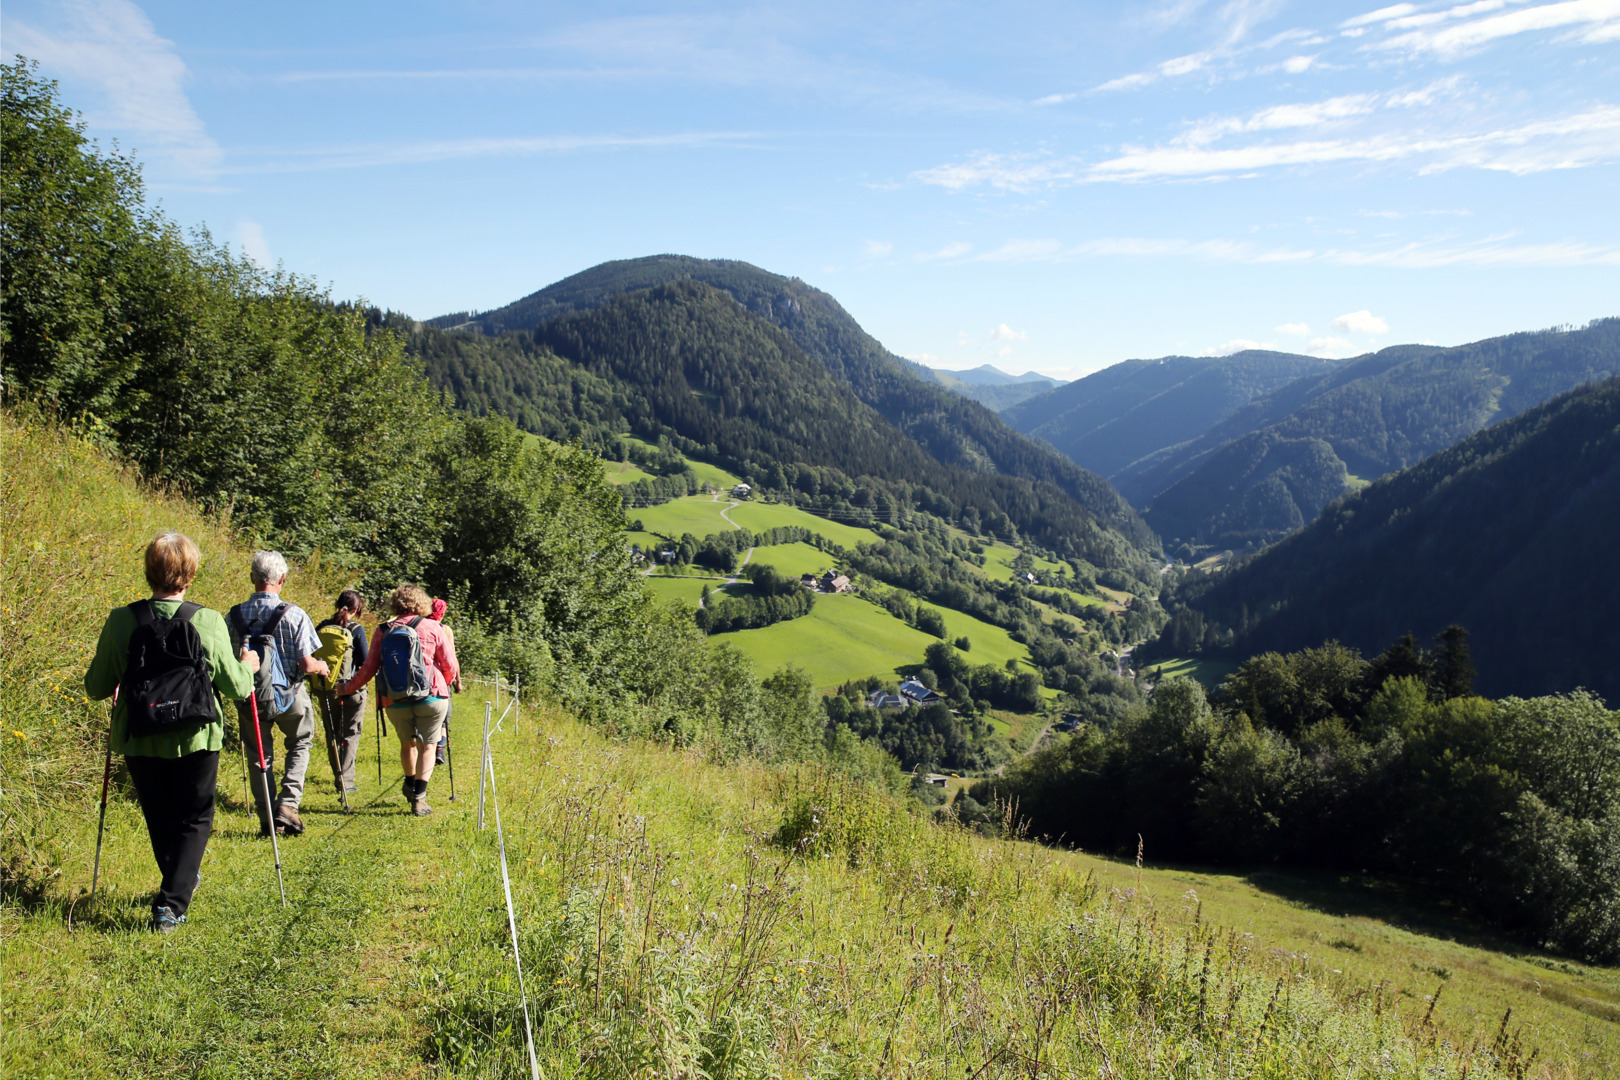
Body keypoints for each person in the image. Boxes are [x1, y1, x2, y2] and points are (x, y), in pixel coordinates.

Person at [83, 532, 259, 932]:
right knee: (195, 817)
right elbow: (237, 687)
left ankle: (175, 887)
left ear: (149, 571)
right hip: (196, 734)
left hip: (140, 734)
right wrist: (249, 665)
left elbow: (95, 687)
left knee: (160, 816)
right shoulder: (207, 620)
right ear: (190, 573)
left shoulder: (121, 620)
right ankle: (171, 904)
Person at [228, 551, 328, 837]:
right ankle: (288, 804)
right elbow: (307, 664)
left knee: (259, 754)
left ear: (252, 578)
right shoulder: (294, 613)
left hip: (250, 696)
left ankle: (266, 818)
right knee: (300, 741)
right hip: (289, 695)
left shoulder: (233, 615)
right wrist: (322, 666)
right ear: (282, 579)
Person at [339, 584, 459, 816]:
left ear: (395, 603)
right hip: (432, 697)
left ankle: (409, 780)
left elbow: (368, 669)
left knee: (408, 744)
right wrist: (441, 684)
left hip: (394, 698)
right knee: (429, 745)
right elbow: (450, 665)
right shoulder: (433, 627)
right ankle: (419, 798)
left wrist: (347, 688)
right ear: (421, 603)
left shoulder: (383, 630)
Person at [315, 591, 368, 795]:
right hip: (351, 689)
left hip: (326, 688)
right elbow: (364, 662)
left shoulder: (321, 627)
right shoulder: (356, 630)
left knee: (332, 734)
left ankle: (337, 774)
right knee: (350, 733)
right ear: (356, 610)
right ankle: (345, 781)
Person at [428, 597, 460, 766]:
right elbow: (451, 658)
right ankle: (440, 749)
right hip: (441, 679)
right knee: (443, 716)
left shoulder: (419, 626)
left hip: (422, 678)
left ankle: (428, 748)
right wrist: (456, 681)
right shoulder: (445, 629)